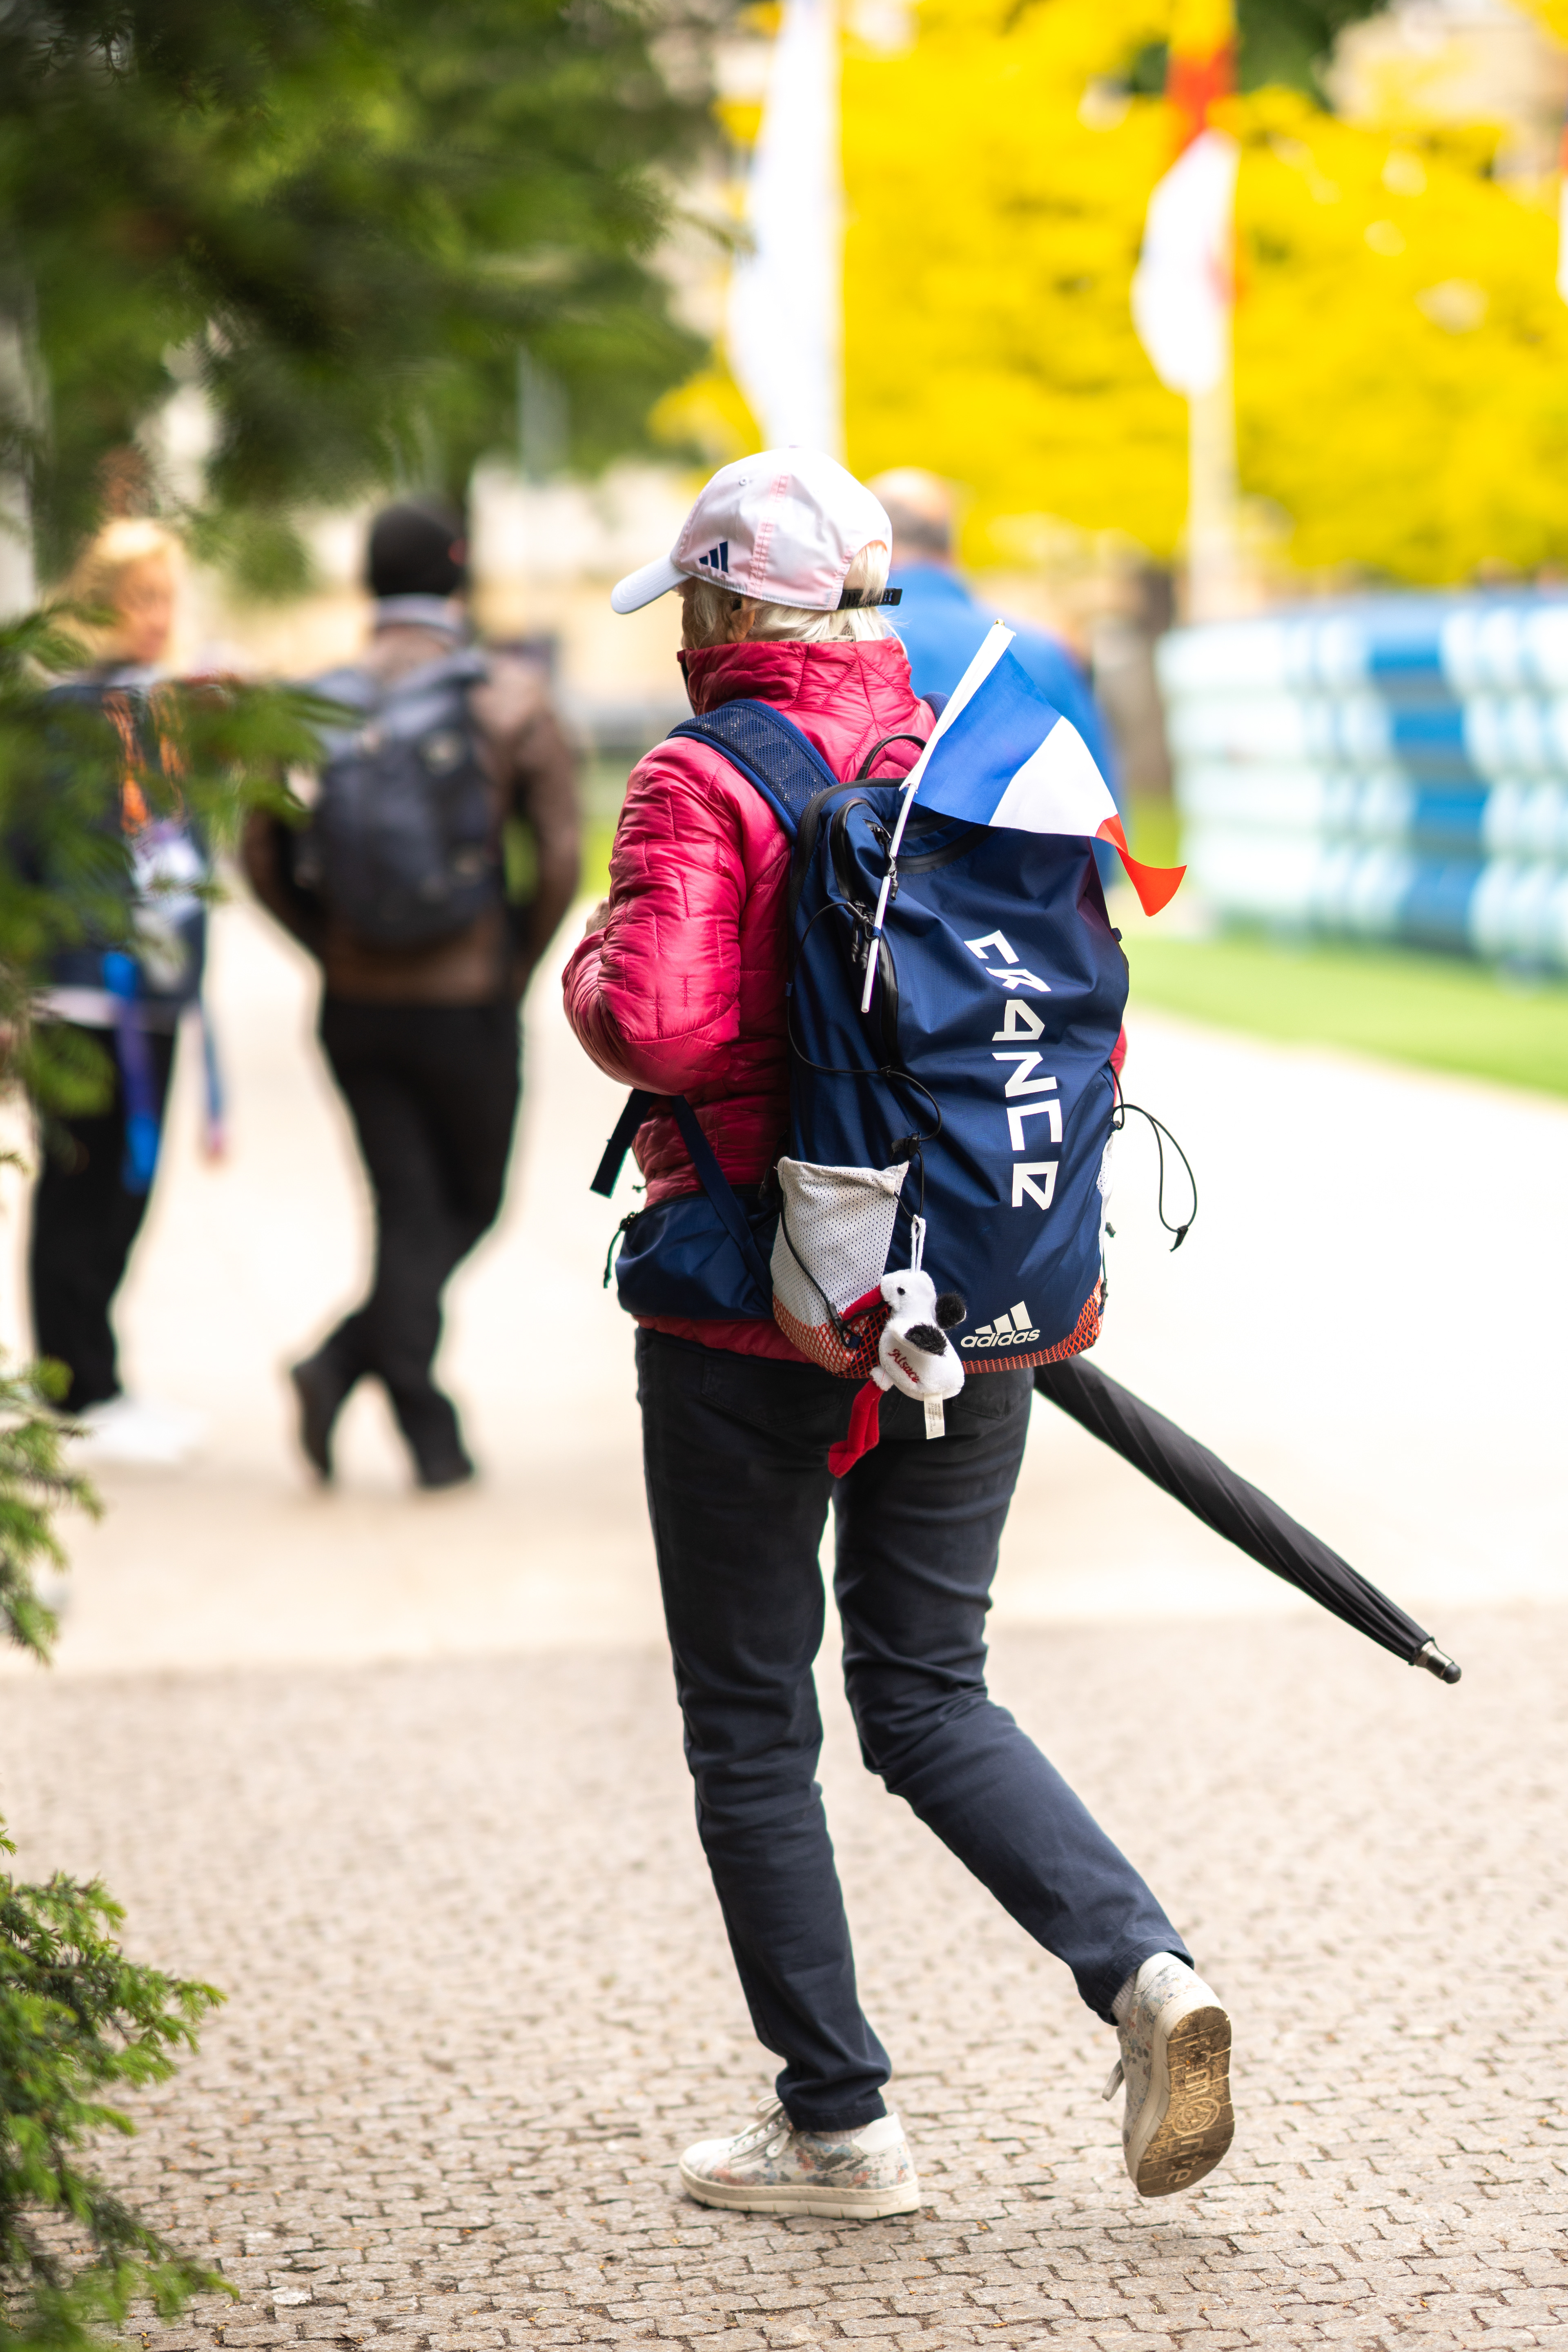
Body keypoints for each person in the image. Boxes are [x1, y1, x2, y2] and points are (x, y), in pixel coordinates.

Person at [563, 449, 1234, 2219]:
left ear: (724, 611)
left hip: (748, 1301)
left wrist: (583, 960)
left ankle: (842, 2130)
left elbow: (660, 1023)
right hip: (973, 1293)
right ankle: (1147, 1973)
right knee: (932, 1692)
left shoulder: (704, 773)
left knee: (749, 1720)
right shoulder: (968, 759)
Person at [243, 498, 579, 1488]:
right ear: (457, 577)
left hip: (354, 1005)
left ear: (366, 585)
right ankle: (408, 1415)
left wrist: (324, 944)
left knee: (408, 1208)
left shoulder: (313, 702)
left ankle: (361, 1376)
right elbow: (559, 855)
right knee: (465, 1205)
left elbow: (260, 850)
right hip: (466, 998)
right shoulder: (511, 698)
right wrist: (514, 958)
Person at [27, 518, 209, 1464]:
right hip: (80, 994)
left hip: (157, 989)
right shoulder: (58, 718)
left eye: (167, 598)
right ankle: (73, 1388)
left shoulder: (164, 713)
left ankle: (99, 1379)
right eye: (139, 597)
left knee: (127, 1194)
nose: (156, 618)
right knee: (81, 1188)